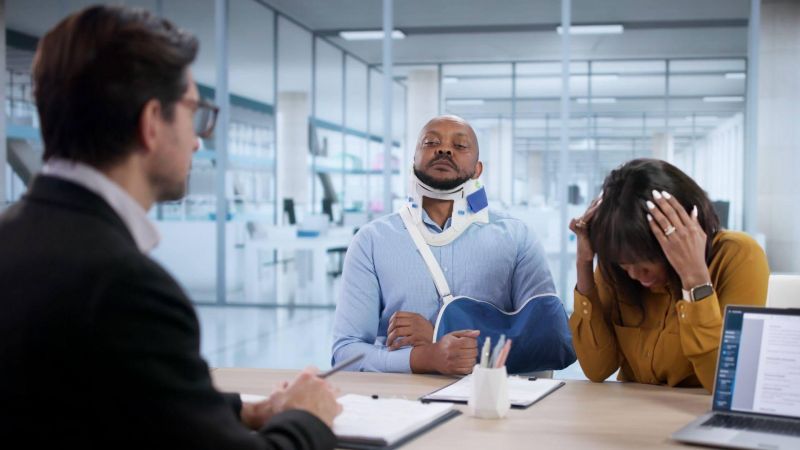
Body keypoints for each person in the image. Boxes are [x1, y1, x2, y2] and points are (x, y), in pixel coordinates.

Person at [0, 6, 340, 448]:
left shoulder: (14, 237)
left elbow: (101, 393)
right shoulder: (125, 288)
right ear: (151, 123)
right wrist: (307, 418)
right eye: (195, 113)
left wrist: (240, 410)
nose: (199, 139)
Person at [332, 115, 575, 375]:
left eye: (459, 146)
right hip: (402, 403)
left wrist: (439, 333)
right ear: (413, 160)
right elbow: (345, 353)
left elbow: (550, 341)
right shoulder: (371, 241)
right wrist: (425, 358)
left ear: (478, 170)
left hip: (492, 401)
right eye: (431, 142)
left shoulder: (517, 237)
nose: (444, 149)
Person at [568, 158, 769, 392]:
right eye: (625, 265)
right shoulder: (619, 263)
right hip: (632, 413)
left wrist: (695, 278)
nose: (635, 275)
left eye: (647, 264)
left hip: (697, 414)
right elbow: (597, 369)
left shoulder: (738, 255)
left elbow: (727, 385)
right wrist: (584, 264)